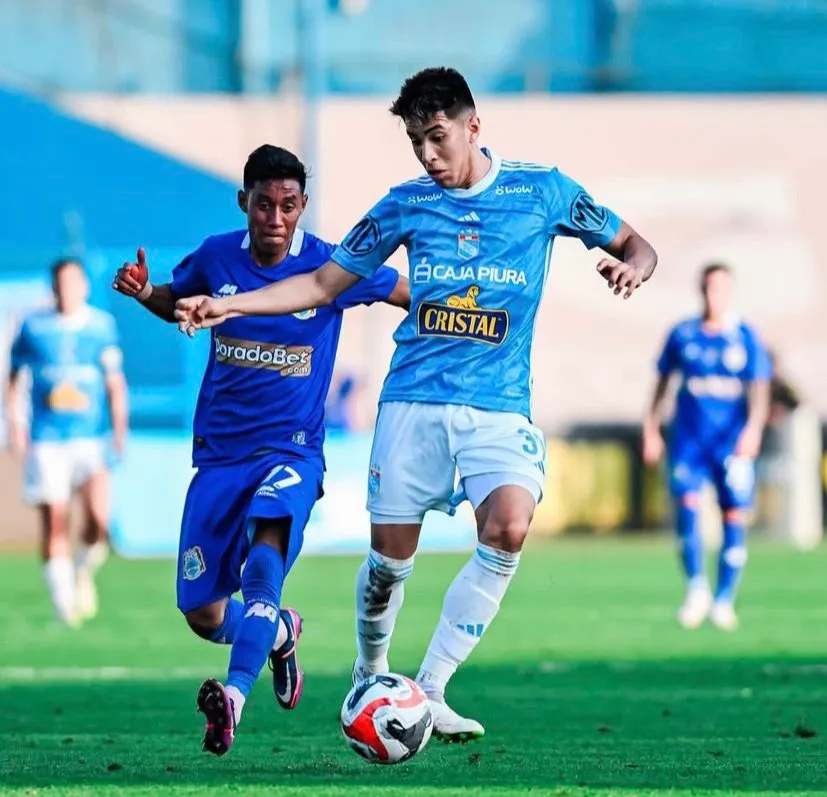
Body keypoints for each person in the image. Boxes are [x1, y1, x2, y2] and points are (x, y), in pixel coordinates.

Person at [174, 68, 658, 742]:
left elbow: (636, 243)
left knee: (510, 526)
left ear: (473, 126)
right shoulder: (402, 204)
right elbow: (319, 282)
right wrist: (227, 302)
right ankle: (369, 671)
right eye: (414, 141)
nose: (427, 155)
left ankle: (429, 687)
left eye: (436, 138)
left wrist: (630, 266)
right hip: (411, 404)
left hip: (498, 405)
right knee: (389, 563)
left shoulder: (542, 191)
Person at [112, 144, 409, 756]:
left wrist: (466, 311)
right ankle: (278, 631)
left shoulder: (333, 265)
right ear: (243, 201)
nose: (276, 217)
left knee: (263, 560)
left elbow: (406, 292)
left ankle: (235, 698)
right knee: (203, 614)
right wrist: (148, 295)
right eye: (265, 204)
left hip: (292, 450)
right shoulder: (219, 254)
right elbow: (181, 300)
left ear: (303, 206)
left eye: (289, 205)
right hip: (221, 455)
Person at [642, 263, 771, 631]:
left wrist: (754, 429)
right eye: (708, 289)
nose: (714, 296)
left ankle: (725, 599)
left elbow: (759, 388)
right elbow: (662, 384)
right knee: (687, 508)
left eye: (720, 289)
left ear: (730, 292)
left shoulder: (743, 336)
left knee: (734, 515)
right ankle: (696, 588)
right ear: (701, 291)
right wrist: (651, 427)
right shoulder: (683, 334)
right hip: (689, 441)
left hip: (730, 443)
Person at [6, 258, 127, 628]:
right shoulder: (33, 327)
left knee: (97, 521)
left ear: (84, 287)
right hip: (47, 439)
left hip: (90, 438)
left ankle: (82, 571)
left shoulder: (100, 326)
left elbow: (114, 382)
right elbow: (13, 377)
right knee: (55, 520)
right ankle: (63, 605)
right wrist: (14, 423)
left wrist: (120, 428)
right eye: (61, 284)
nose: (68, 291)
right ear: (53, 288)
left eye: (74, 283)